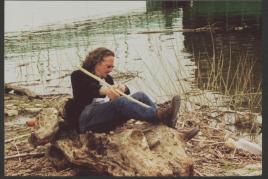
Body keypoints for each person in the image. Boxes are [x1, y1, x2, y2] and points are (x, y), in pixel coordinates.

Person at [65, 47, 198, 139]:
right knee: (121, 102)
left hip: (105, 117)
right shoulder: (78, 75)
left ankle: (167, 124)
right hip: (86, 120)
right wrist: (105, 90)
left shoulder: (108, 79)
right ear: (97, 63)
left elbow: (120, 97)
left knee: (140, 95)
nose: (111, 70)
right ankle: (159, 115)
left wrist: (123, 88)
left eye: (112, 66)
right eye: (108, 66)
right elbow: (87, 90)